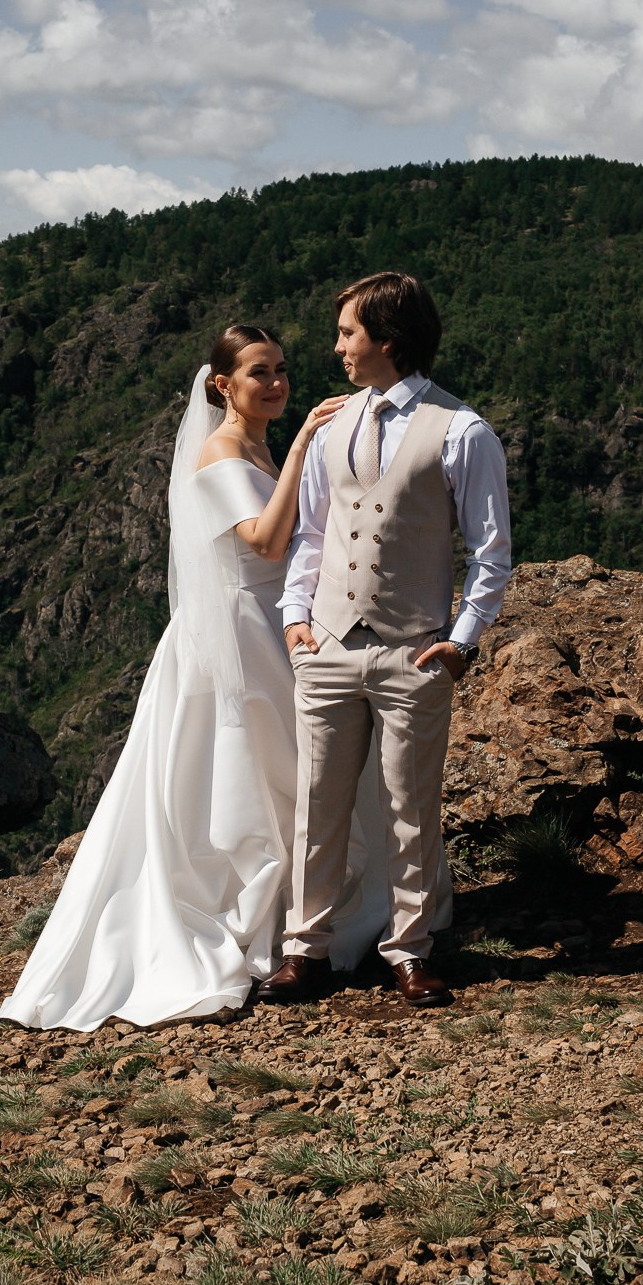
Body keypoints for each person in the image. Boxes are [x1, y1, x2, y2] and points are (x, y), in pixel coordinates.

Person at [0, 325, 388, 1031]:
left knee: (300, 771)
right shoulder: (224, 449)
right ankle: (262, 920)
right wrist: (304, 447)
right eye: (259, 373)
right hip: (241, 630)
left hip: (283, 620)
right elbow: (264, 540)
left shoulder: (259, 445)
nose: (276, 383)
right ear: (222, 386)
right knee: (253, 774)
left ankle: (306, 920)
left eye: (281, 370)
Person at [258, 272, 512, 1009]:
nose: (336, 346)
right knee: (318, 801)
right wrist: (296, 617)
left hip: (414, 649)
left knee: (410, 805)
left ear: (388, 341)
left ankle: (410, 950)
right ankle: (306, 950)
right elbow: (311, 533)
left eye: (347, 333)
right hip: (328, 645)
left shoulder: (463, 432)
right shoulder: (333, 425)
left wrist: (461, 641)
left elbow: (491, 553)